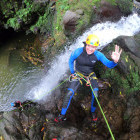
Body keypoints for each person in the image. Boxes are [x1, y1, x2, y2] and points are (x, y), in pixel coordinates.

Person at [54, 34, 122, 123]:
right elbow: (70, 61)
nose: (90, 49)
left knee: (96, 94)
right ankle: (62, 115)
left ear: (96, 47)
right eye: (89, 46)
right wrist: (73, 73)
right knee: (69, 93)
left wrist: (115, 61)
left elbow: (109, 65)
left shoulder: (98, 55)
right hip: (78, 73)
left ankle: (93, 112)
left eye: (93, 47)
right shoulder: (77, 52)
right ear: (85, 44)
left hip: (90, 74)